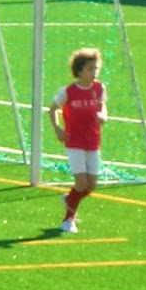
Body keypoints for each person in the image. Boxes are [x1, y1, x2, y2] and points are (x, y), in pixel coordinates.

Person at [48, 47, 107, 234]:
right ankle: (68, 220)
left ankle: (70, 198)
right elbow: (52, 109)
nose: (94, 72)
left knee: (91, 185)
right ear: (79, 71)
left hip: (93, 141)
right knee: (81, 184)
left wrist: (103, 115)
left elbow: (102, 106)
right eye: (90, 69)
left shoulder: (99, 88)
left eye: (96, 68)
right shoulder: (68, 91)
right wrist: (58, 129)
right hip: (74, 142)